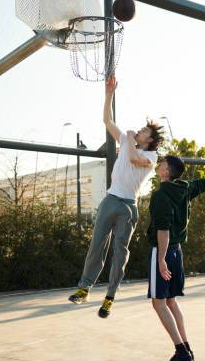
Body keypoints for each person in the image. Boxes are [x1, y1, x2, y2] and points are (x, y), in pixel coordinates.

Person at [68, 75, 165, 318]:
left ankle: (110, 297)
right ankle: (84, 288)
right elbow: (107, 120)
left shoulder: (151, 158)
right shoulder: (126, 139)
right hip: (110, 200)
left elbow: (133, 158)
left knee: (120, 252)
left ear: (150, 140)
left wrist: (130, 139)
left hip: (128, 207)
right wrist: (109, 93)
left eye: (144, 131)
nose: (139, 131)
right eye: (139, 130)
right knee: (96, 245)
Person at [147, 153, 205, 361]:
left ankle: (181, 351)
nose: (159, 165)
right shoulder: (183, 188)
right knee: (171, 302)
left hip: (164, 251)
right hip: (177, 251)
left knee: (159, 303)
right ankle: (186, 347)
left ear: (166, 172)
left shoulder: (160, 195)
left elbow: (163, 229)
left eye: (162, 164)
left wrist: (161, 260)